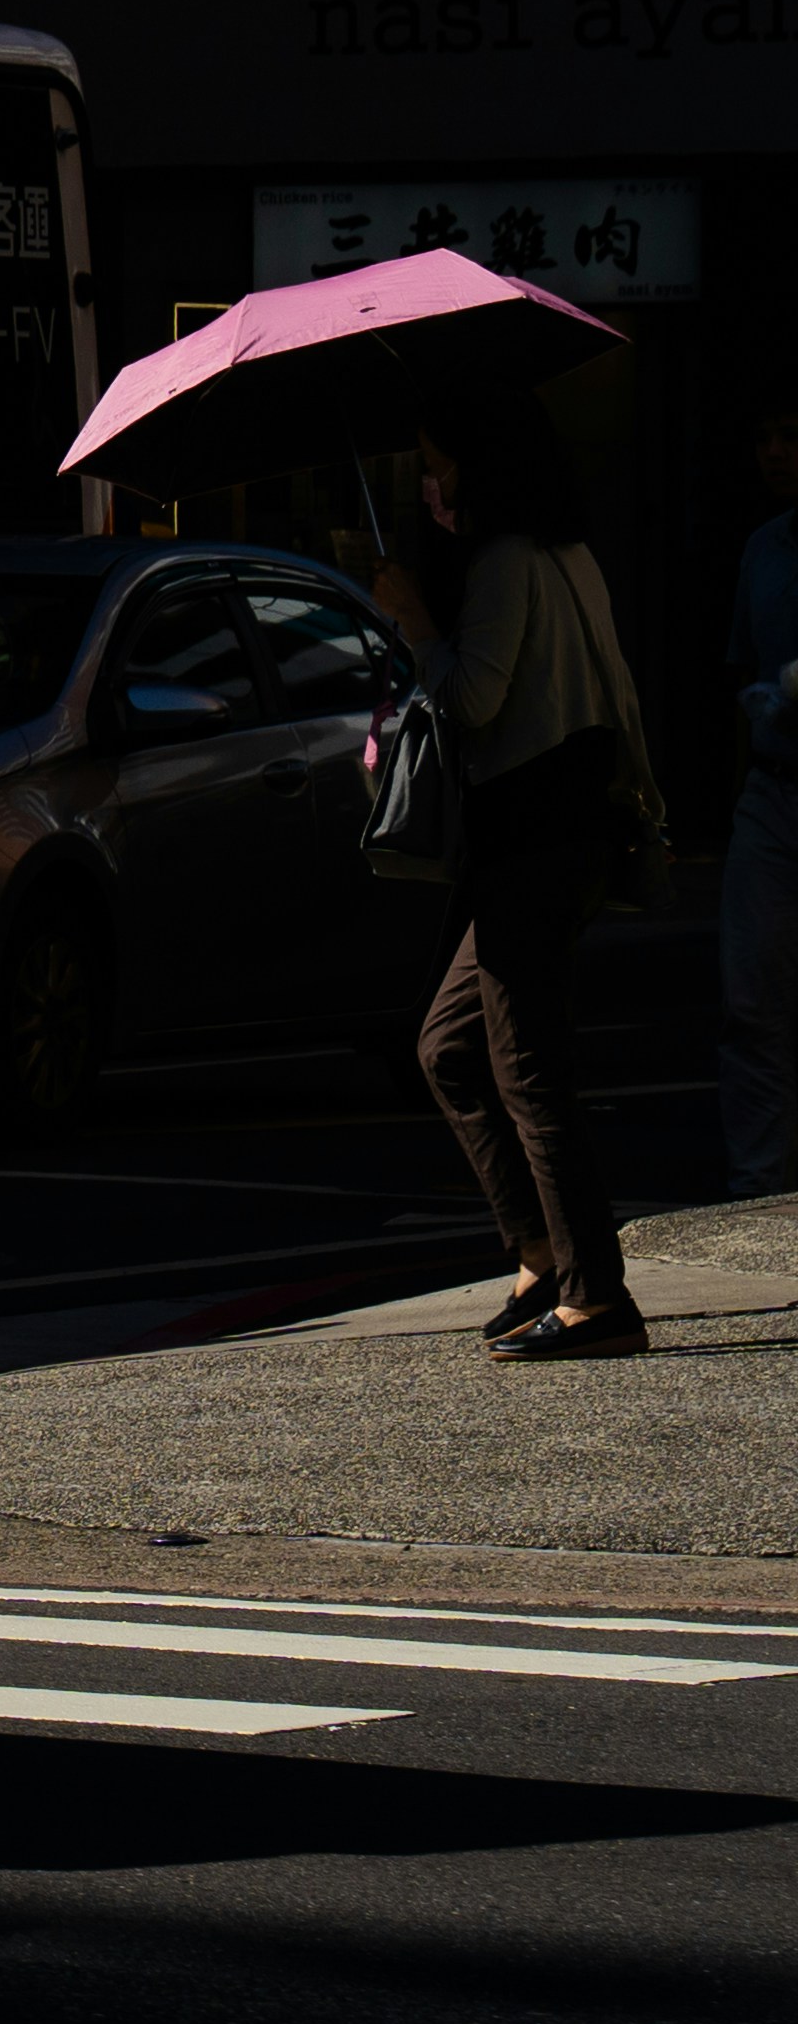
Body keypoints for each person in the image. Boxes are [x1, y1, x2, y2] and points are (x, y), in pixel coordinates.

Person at [378, 397, 666, 1359]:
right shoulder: (571, 555)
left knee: (528, 1069)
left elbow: (471, 697)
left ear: (481, 467)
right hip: (569, 837)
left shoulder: (505, 561)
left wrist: (417, 624)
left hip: (533, 842)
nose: (433, 488)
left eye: (438, 466)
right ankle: (541, 1254)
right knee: (450, 1048)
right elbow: (618, 689)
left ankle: (596, 1295)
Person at [727, 405, 798, 1200]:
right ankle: (757, 1197)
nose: (774, 451)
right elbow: (737, 669)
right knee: (752, 1003)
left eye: (790, 435)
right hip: (773, 790)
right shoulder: (763, 550)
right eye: (767, 435)